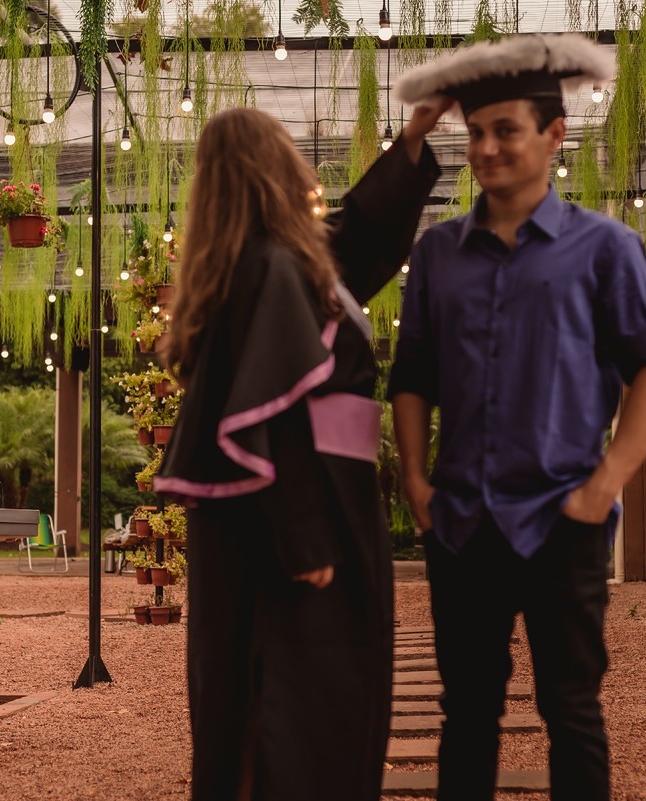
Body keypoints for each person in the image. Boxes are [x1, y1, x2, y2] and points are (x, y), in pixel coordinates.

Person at [389, 34, 646, 801]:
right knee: (468, 715)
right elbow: (412, 375)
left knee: (572, 709)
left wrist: (605, 484)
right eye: (477, 132)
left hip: (565, 518)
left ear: (554, 135)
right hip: (459, 522)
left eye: (507, 131)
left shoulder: (605, 249)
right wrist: (416, 480)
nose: (486, 148)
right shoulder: (437, 256)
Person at [153, 103, 447, 800]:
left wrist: (411, 142)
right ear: (269, 167)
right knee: (291, 706)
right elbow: (274, 410)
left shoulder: (284, 259)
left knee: (297, 702)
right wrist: (306, 535)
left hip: (310, 507)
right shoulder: (268, 265)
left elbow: (364, 236)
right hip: (298, 522)